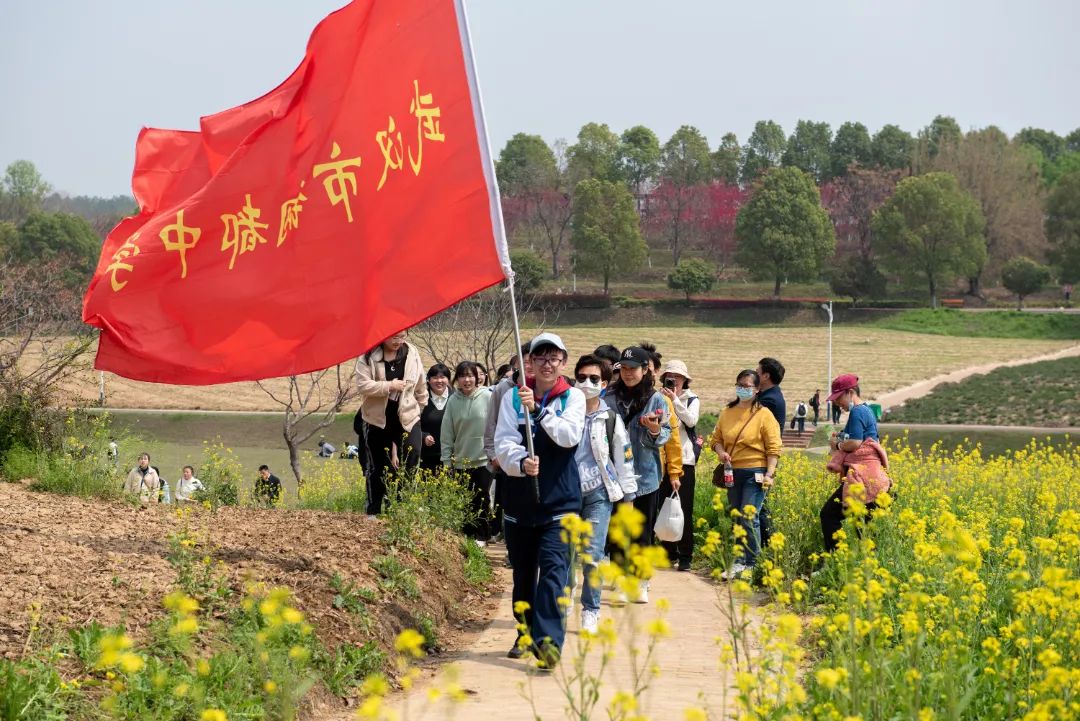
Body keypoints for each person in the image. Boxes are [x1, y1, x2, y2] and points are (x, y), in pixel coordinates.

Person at [495, 332, 585, 669]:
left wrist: (541, 413)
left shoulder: (572, 397)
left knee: (553, 573)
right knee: (523, 575)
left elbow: (569, 436)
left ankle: (548, 643)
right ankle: (525, 633)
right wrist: (520, 462)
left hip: (560, 502)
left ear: (563, 363)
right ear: (529, 362)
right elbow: (502, 441)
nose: (547, 364)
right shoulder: (512, 399)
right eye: (540, 358)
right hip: (520, 502)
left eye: (554, 358)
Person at [569, 354, 637, 633]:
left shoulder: (610, 418)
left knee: (592, 554)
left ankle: (591, 610)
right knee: (565, 552)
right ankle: (563, 599)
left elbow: (623, 456)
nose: (587, 383)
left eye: (594, 379)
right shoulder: (563, 412)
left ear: (605, 383)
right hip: (567, 492)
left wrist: (629, 495)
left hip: (599, 491)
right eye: (582, 377)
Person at [605, 346, 671, 603]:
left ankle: (641, 581)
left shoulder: (657, 400)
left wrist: (655, 430)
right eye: (625, 369)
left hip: (646, 475)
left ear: (646, 370)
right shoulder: (609, 397)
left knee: (642, 532)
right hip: (615, 475)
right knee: (619, 530)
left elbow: (665, 435)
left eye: (634, 369)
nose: (629, 374)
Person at [707, 370, 782, 579]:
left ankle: (752, 562)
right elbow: (716, 439)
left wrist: (769, 473)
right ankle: (738, 561)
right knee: (737, 517)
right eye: (740, 384)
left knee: (750, 516)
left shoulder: (764, 415)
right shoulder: (727, 412)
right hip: (732, 471)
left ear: (757, 389)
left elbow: (774, 447)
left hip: (755, 471)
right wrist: (721, 453)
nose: (743, 389)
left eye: (748, 386)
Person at [355, 330, 429, 516]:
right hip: (377, 420)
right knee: (378, 467)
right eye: (394, 337)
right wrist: (389, 386)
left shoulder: (411, 353)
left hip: (407, 416)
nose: (399, 341)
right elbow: (363, 386)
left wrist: (420, 406)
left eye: (402, 337)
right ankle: (373, 511)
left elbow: (420, 383)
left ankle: (402, 510)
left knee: (412, 458)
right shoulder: (369, 355)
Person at [821, 374, 890, 552]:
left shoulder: (858, 411)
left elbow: (855, 443)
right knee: (863, 525)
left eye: (839, 398)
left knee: (828, 515)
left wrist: (837, 444)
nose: (837, 403)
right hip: (872, 475)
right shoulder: (866, 410)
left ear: (850, 392)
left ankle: (834, 559)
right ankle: (869, 568)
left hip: (863, 475)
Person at [441, 361, 496, 543]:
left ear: (477, 378)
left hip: (483, 459)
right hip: (461, 460)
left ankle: (482, 536)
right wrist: (447, 460)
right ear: (457, 379)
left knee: (481, 498)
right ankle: (467, 536)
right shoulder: (453, 401)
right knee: (464, 500)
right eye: (463, 376)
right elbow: (447, 432)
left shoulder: (488, 397)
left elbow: (496, 425)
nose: (467, 380)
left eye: (470, 376)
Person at [484, 344, 532, 541]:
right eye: (524, 361)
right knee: (506, 501)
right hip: (507, 456)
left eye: (533, 361)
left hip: (535, 460)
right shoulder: (504, 388)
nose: (529, 365)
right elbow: (491, 422)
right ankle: (508, 542)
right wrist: (492, 453)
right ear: (515, 365)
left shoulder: (545, 388)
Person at [659, 359, 700, 571]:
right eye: (669, 376)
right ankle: (668, 552)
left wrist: (675, 400)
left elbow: (691, 421)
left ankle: (686, 555)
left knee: (683, 508)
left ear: (685, 380)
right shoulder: (657, 398)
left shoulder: (691, 399)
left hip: (685, 461)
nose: (674, 380)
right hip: (663, 460)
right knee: (664, 506)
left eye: (678, 377)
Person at [755, 357, 785, 549]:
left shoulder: (769, 400)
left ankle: (766, 550)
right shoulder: (771, 395)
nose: (755, 375)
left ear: (766, 375)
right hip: (764, 458)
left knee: (759, 508)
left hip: (764, 459)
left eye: (757, 372)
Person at [420, 363, 452, 471]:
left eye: (443, 377)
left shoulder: (456, 399)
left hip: (454, 456)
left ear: (448, 379)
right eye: (435, 378)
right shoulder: (420, 399)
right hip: (426, 457)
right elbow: (412, 424)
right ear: (428, 380)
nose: (439, 381)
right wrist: (423, 436)